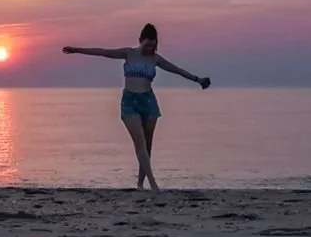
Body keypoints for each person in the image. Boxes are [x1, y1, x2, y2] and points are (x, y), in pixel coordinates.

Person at [62, 23, 210, 192]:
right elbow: (103, 52)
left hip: (148, 101)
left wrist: (198, 80)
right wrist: (77, 50)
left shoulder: (156, 59)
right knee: (139, 142)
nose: (149, 48)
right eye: (147, 44)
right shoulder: (128, 53)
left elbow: (176, 70)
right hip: (129, 102)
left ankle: (140, 184)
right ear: (140, 40)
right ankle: (154, 185)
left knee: (147, 145)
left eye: (153, 45)